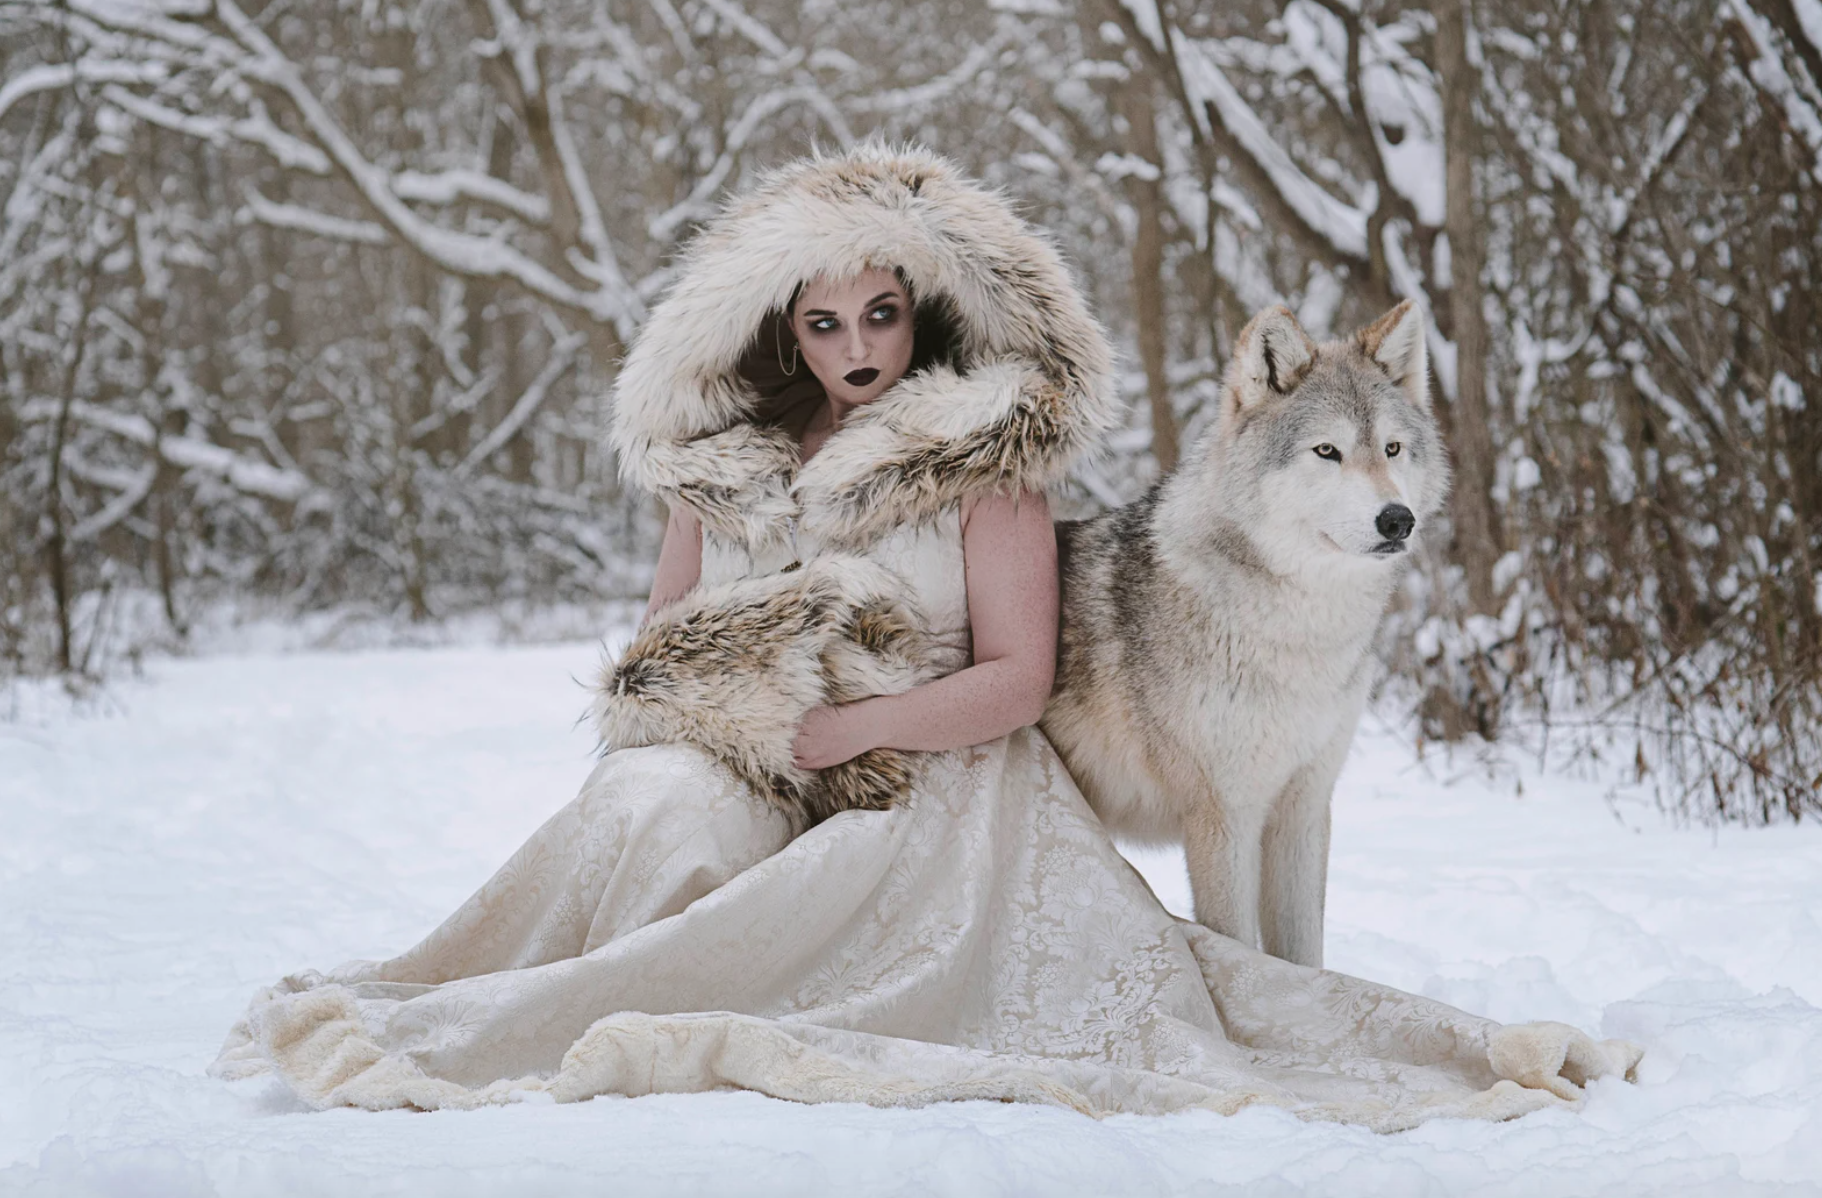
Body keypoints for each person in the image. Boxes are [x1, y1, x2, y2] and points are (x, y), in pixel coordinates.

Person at [212, 144, 1638, 1128]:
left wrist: (855, 729)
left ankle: (668, 1002)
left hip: (937, 766)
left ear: (919, 315)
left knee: (844, 878)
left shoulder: (981, 463)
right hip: (758, 750)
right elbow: (659, 644)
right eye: (823, 320)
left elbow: (1015, 679)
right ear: (782, 328)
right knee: (645, 799)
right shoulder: (727, 462)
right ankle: (575, 993)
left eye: (879, 313)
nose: (853, 345)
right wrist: (747, 721)